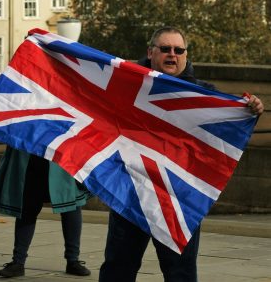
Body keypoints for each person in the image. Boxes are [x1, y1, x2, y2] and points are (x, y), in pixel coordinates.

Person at [99, 26, 264, 282]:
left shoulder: (202, 93)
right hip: (131, 194)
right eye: (165, 49)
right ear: (150, 52)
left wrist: (250, 109)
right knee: (118, 269)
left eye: (179, 50)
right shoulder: (127, 85)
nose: (172, 55)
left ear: (186, 55)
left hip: (177, 200)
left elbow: (225, 125)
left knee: (181, 274)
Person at [0, 146, 92, 278]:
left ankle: (73, 260)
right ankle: (18, 262)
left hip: (62, 154)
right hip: (30, 155)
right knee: (28, 208)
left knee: (71, 206)